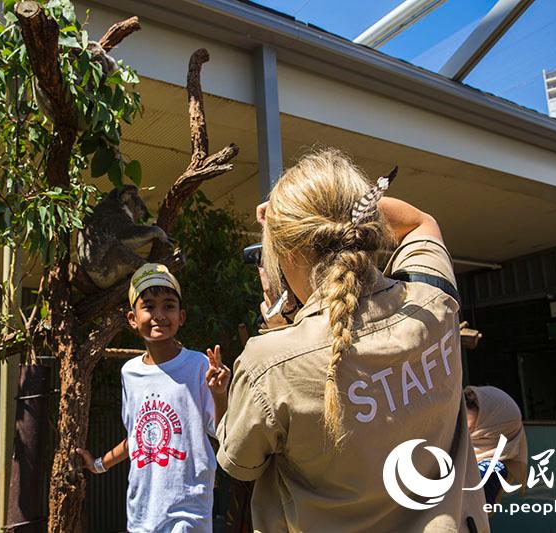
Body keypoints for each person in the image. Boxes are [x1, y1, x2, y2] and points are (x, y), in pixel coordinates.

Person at [216, 149, 489, 532]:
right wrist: (347, 211)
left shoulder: (269, 364)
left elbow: (241, 464)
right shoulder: (435, 302)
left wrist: (280, 334)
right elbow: (420, 222)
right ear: (365, 225)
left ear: (288, 251)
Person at [77, 263, 231, 533]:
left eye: (168, 306)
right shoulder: (130, 373)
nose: (159, 315)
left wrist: (220, 394)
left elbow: (224, 431)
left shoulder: (198, 366)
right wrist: (100, 464)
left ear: (181, 316)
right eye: (148, 306)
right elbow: (138, 437)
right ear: (132, 319)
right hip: (142, 513)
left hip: (189, 511)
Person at [464, 385, 528, 505]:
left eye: (471, 404)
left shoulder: (491, 471)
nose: (463, 407)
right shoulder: (459, 444)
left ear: (495, 425)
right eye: (465, 399)